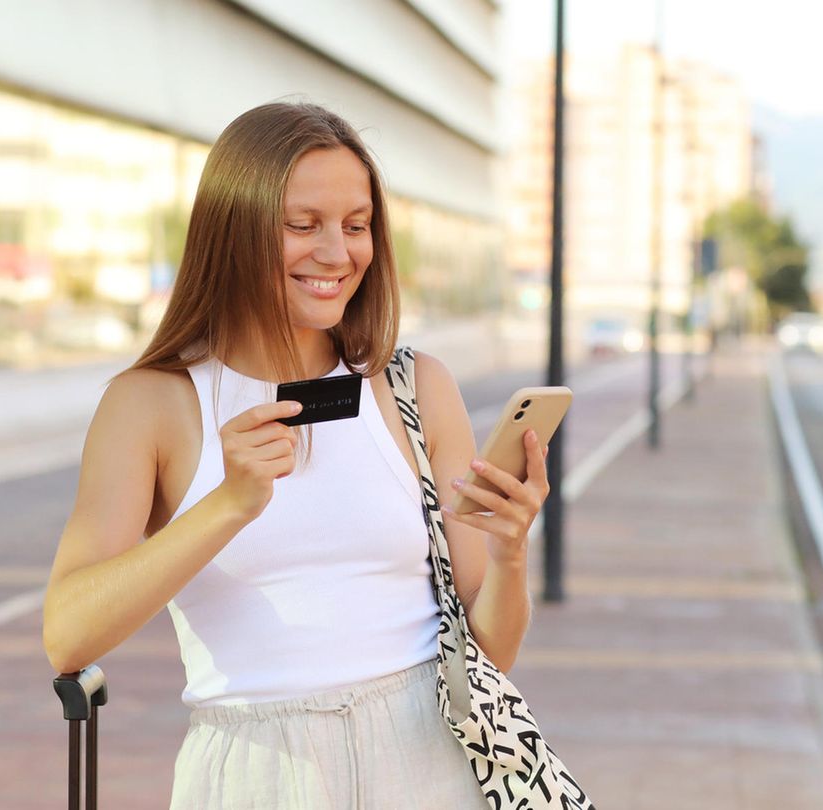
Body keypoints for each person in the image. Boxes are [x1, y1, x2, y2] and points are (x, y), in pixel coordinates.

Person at [41, 102, 551, 809]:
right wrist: (229, 504)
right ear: (236, 230)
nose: (338, 254)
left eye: (356, 225)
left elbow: (490, 653)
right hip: (255, 770)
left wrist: (510, 555)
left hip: (426, 761)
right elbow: (68, 636)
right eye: (302, 226)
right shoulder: (153, 404)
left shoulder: (414, 387)